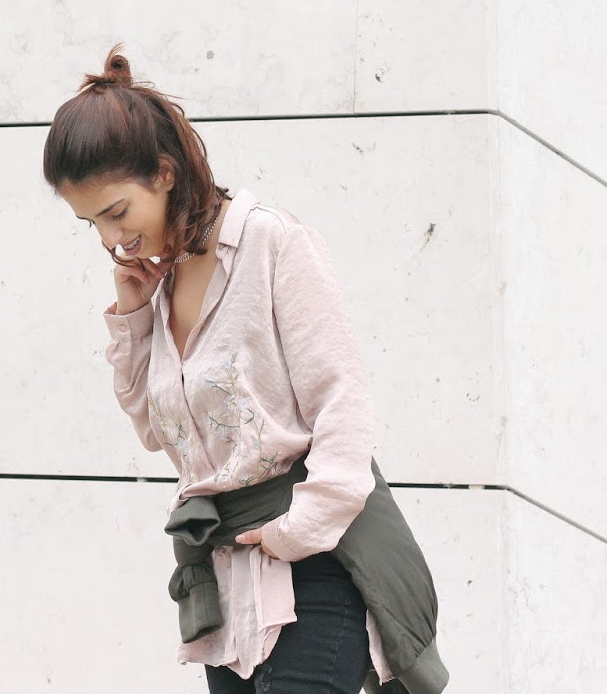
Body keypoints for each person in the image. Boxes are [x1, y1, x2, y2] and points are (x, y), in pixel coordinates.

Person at [43, 47, 448, 694]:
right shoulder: (160, 283)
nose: (110, 240)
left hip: (315, 567)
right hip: (225, 588)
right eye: (90, 223)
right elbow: (155, 430)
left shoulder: (269, 243)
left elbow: (342, 402)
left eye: (116, 212)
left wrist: (298, 531)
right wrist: (134, 315)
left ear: (165, 173)